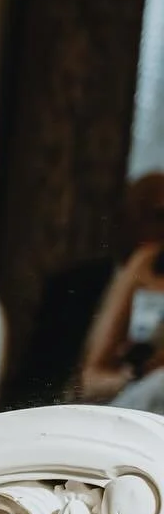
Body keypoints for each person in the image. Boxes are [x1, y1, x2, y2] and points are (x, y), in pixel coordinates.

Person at [79, 173, 164, 409]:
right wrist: (134, 375)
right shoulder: (141, 269)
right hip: (138, 398)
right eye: (159, 216)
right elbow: (91, 381)